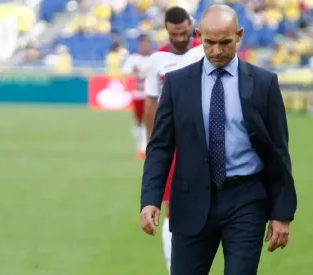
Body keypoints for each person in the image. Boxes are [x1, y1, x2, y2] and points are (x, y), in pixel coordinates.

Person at [140, 5, 297, 275]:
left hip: (246, 200)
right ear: (199, 35)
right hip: (191, 200)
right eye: (209, 42)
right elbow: (160, 147)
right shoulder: (177, 84)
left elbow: (278, 151)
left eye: (225, 42)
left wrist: (282, 212)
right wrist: (150, 199)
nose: (216, 51)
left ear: (239, 35)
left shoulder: (263, 83)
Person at [141, 6, 204, 273]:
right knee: (171, 204)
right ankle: (173, 265)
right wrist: (152, 147)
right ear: (166, 30)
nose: (179, 38)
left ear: (191, 25)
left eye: (183, 32)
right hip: (174, 140)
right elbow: (151, 105)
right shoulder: (157, 60)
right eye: (174, 33)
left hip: (205, 139)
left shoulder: (205, 50)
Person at [121, 34, 152, 159]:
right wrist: (135, 70)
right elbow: (125, 71)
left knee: (150, 122)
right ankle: (140, 146)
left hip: (152, 95)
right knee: (138, 122)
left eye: (147, 43)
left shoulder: (154, 57)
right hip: (139, 94)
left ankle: (145, 148)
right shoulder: (134, 58)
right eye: (142, 43)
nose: (145, 45)